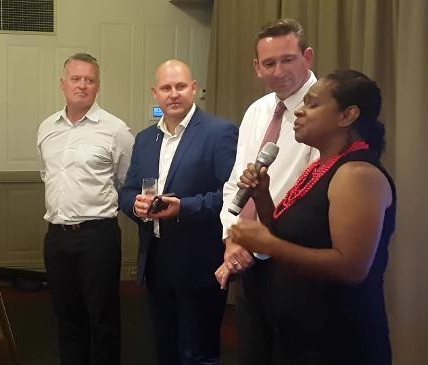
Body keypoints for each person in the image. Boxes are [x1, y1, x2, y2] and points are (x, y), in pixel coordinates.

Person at [227, 69, 395, 364]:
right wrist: (262, 198)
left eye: (313, 104)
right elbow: (288, 235)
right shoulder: (321, 168)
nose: (300, 112)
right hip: (298, 338)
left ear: (347, 116)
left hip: (337, 344)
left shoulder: (357, 174)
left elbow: (352, 268)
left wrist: (268, 245)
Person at [214, 18, 319, 365]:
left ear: (307, 57)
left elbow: (313, 197)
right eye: (269, 63)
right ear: (257, 68)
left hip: (296, 262)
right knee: (253, 353)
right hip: (250, 263)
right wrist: (233, 238)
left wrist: (256, 246)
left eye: (288, 59)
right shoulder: (257, 111)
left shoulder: (324, 113)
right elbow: (234, 183)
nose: (279, 71)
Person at [120, 59, 238, 365]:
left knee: (198, 352)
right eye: (166, 88)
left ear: (194, 89)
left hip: (200, 262)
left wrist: (183, 207)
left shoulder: (219, 132)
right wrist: (135, 205)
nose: (174, 94)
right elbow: (127, 191)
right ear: (155, 93)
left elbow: (232, 196)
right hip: (156, 259)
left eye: (181, 86)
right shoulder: (145, 139)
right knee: (166, 347)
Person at [37, 53, 134, 365]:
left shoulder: (116, 130)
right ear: (62, 84)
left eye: (89, 80)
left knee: (102, 319)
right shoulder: (46, 129)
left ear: (97, 86)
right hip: (56, 238)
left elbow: (125, 180)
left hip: (98, 237)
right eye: (76, 79)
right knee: (66, 318)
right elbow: (47, 175)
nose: (82, 85)